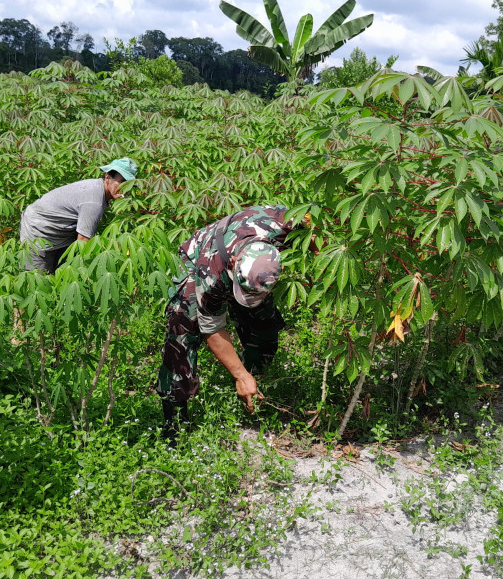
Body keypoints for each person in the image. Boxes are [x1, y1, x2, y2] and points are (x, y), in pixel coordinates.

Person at [157, 204, 302, 439]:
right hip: (197, 260)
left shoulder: (287, 224)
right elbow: (212, 328)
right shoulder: (212, 271)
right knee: (182, 328)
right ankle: (175, 421)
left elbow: (317, 233)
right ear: (234, 262)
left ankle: (255, 382)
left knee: (264, 323)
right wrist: (239, 376)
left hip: (251, 269)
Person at [19, 157, 137, 273]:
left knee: (61, 272)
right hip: (38, 229)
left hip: (62, 231)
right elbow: (83, 241)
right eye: (121, 182)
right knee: (38, 276)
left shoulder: (98, 188)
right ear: (107, 177)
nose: (125, 188)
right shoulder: (93, 202)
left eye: (129, 184)